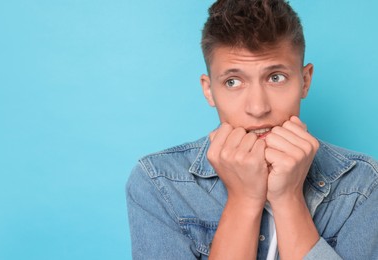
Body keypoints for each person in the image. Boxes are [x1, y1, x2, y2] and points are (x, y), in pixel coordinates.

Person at [126, 0, 378, 259]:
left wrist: (288, 199)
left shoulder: (362, 184)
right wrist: (243, 200)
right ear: (209, 90)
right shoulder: (159, 183)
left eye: (275, 77)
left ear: (305, 81)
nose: (258, 108)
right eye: (233, 82)